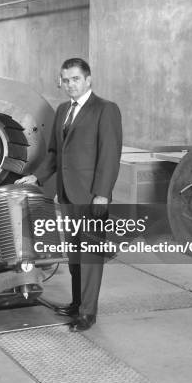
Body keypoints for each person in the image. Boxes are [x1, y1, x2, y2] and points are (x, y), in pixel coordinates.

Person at [16, 57, 122, 331]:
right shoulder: (63, 110)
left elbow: (110, 156)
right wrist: (37, 176)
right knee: (75, 255)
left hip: (90, 196)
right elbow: (55, 154)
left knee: (89, 257)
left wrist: (102, 194)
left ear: (88, 80)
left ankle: (87, 313)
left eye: (76, 79)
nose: (70, 84)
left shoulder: (105, 110)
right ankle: (76, 304)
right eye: (66, 80)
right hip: (66, 195)